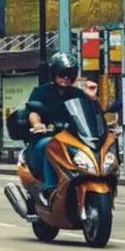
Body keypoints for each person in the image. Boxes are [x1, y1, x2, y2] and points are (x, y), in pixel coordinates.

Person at [25, 53, 86, 205]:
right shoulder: (41, 92)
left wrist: (93, 99)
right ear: (54, 74)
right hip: (46, 137)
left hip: (73, 139)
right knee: (51, 144)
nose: (66, 78)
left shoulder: (78, 94)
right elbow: (33, 112)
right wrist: (37, 124)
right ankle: (50, 188)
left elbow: (89, 114)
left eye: (69, 75)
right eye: (62, 74)